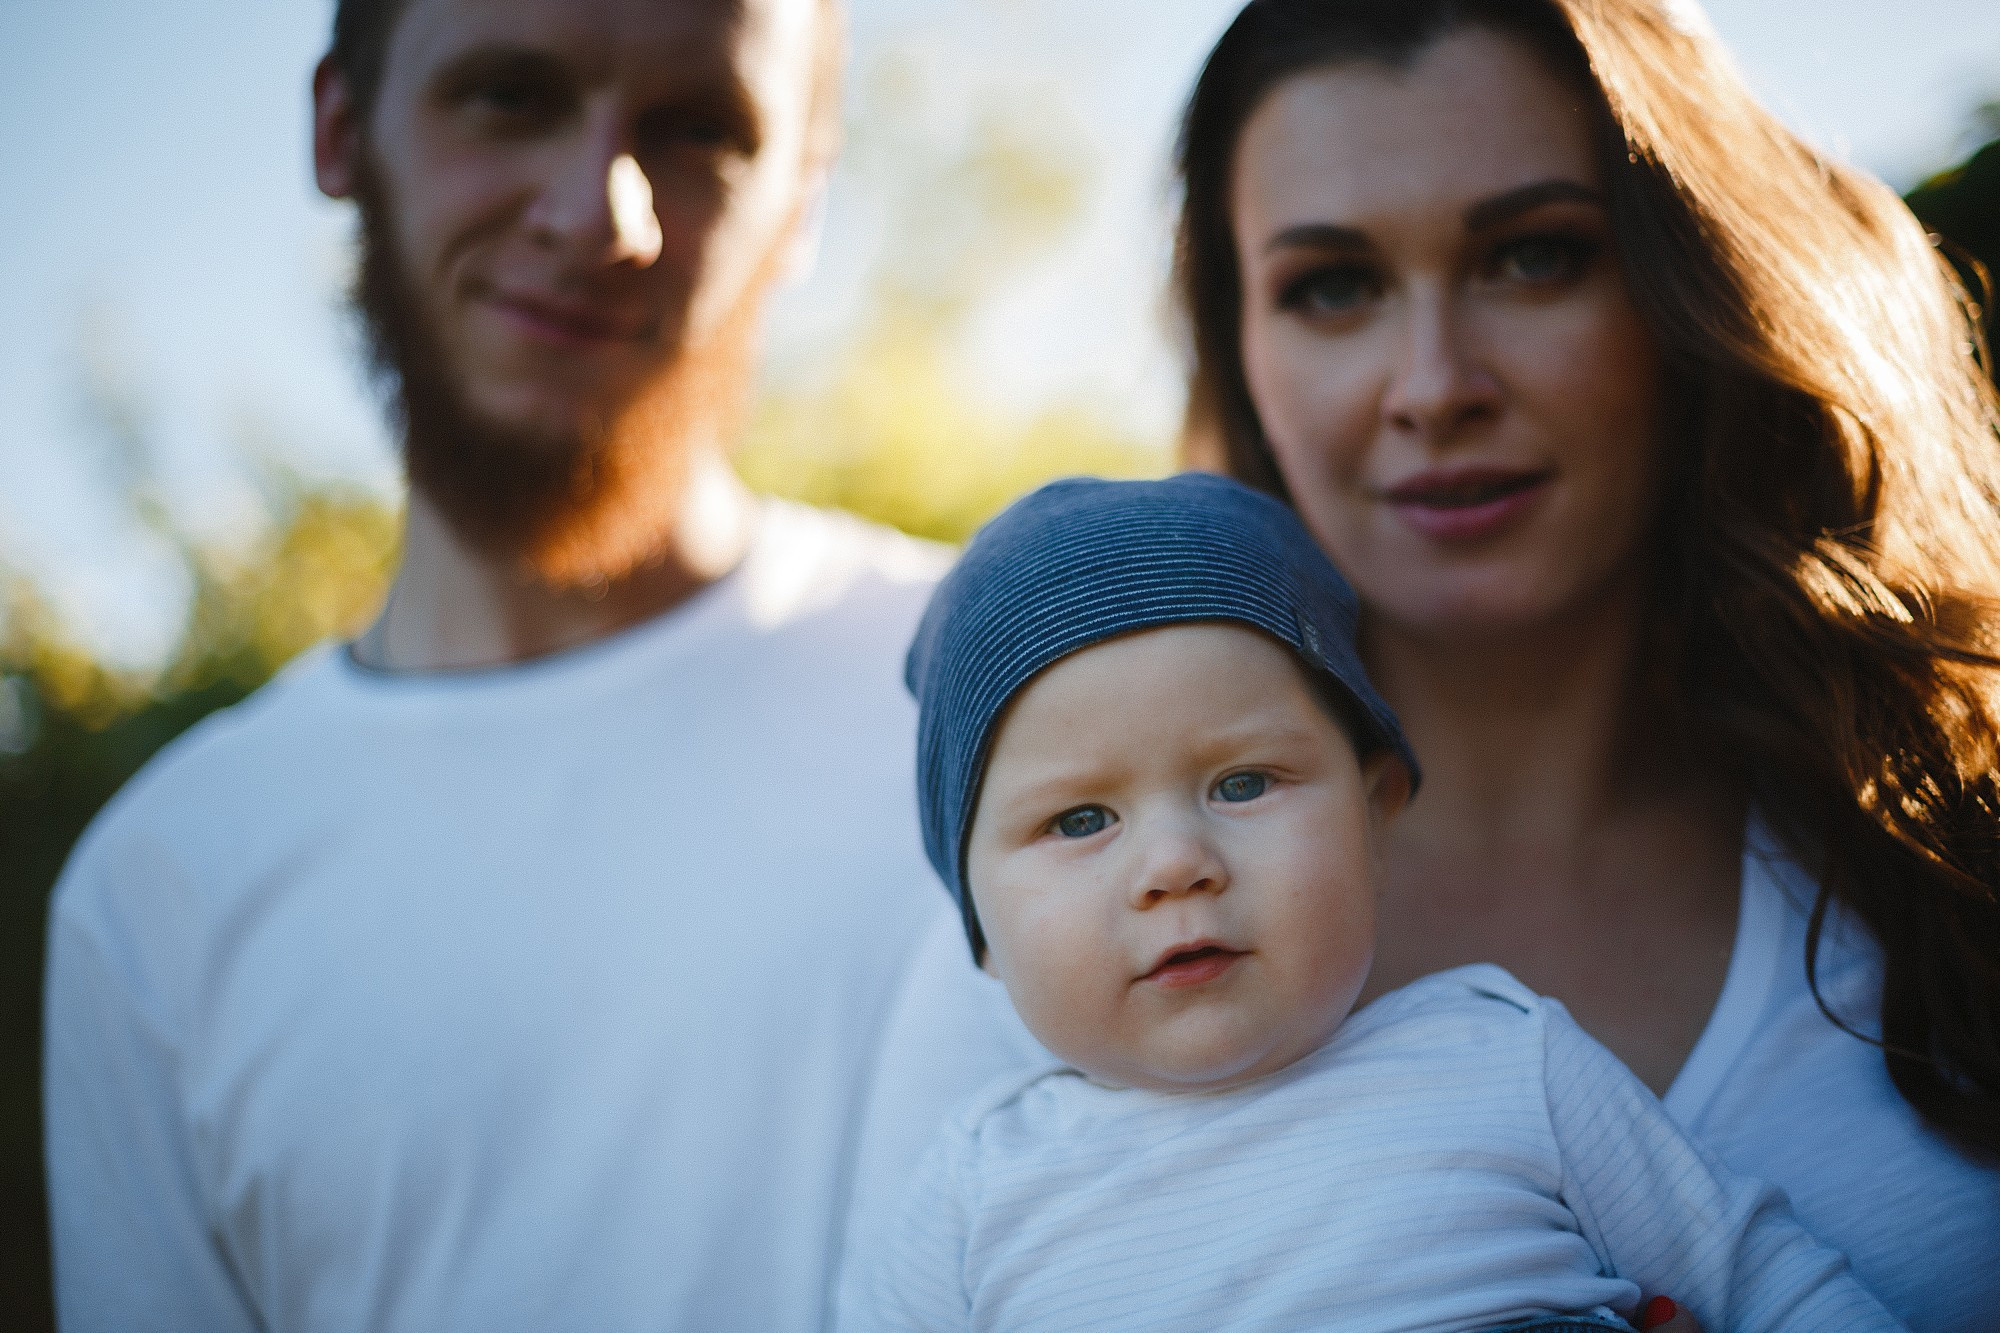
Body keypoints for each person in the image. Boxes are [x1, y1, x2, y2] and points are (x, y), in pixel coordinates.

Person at [844, 2, 2000, 1329]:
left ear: (1690, 283)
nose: (1433, 383)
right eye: (1332, 286)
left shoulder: (1952, 837)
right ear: (1242, 346)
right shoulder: (1031, 960)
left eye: (1533, 256)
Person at [42, 0, 958, 1328]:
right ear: (341, 130)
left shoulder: (1018, 702)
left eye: (696, 130)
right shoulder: (163, 889)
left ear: (803, 199)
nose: (597, 215)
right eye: (510, 97)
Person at [846, 473, 1901, 1333]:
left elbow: (1772, 1283)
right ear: (977, 919)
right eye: (1079, 819)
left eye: (1242, 783)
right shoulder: (975, 1198)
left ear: (1375, 812)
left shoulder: (1507, 1062)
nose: (1173, 862)